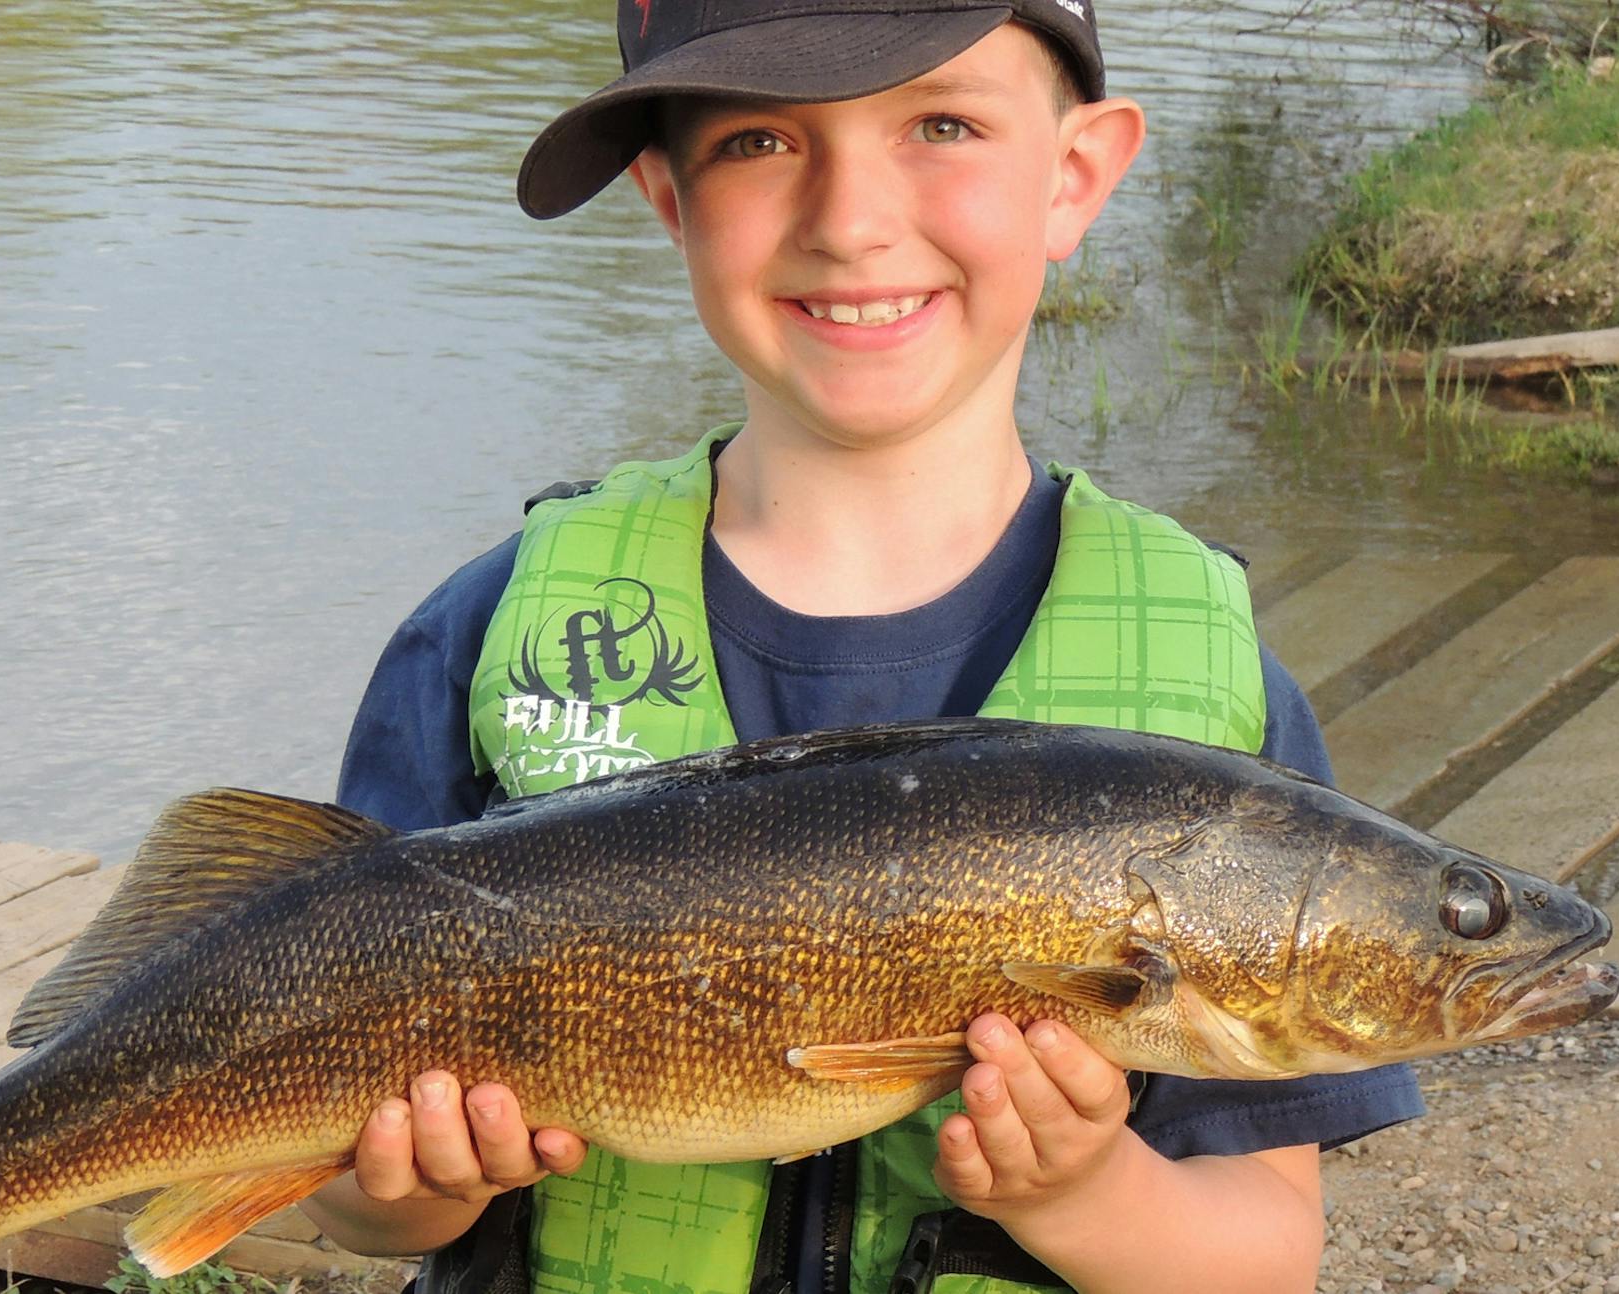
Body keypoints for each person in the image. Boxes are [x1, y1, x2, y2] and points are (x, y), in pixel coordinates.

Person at [298, 2, 1424, 1290]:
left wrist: (1087, 1187)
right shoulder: (486, 634)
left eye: (941, 123)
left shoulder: (1216, 720)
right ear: (668, 198)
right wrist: (409, 1188)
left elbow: (1262, 1261)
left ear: (1076, 175)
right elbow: (348, 1200)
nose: (848, 219)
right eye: (759, 141)